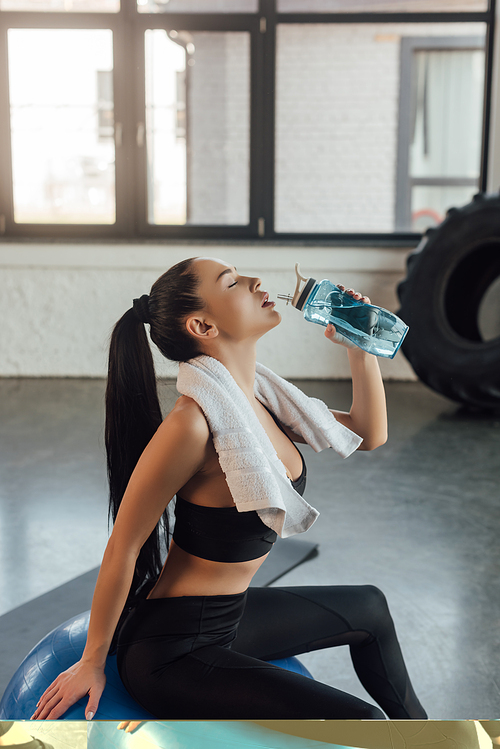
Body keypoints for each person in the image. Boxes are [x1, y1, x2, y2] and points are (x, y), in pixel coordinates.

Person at [31, 256, 427, 721]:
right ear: (202, 324)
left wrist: (358, 345)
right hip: (173, 649)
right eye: (232, 281)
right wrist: (92, 662)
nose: (256, 280)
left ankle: (428, 735)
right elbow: (125, 544)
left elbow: (367, 432)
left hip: (228, 616)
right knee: (365, 724)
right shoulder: (193, 423)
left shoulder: (257, 398)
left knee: (371, 609)